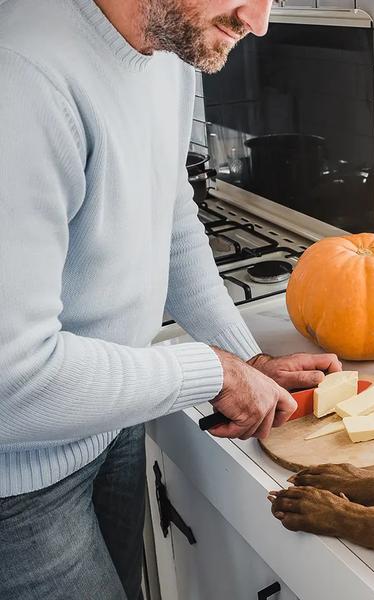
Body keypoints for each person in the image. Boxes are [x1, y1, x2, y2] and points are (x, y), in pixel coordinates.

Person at [0, 1, 341, 598]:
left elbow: (173, 219)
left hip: (110, 421)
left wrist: (246, 358)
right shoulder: (20, 75)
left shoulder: (169, 47)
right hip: (18, 483)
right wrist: (214, 370)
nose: (258, 20)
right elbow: (11, 378)